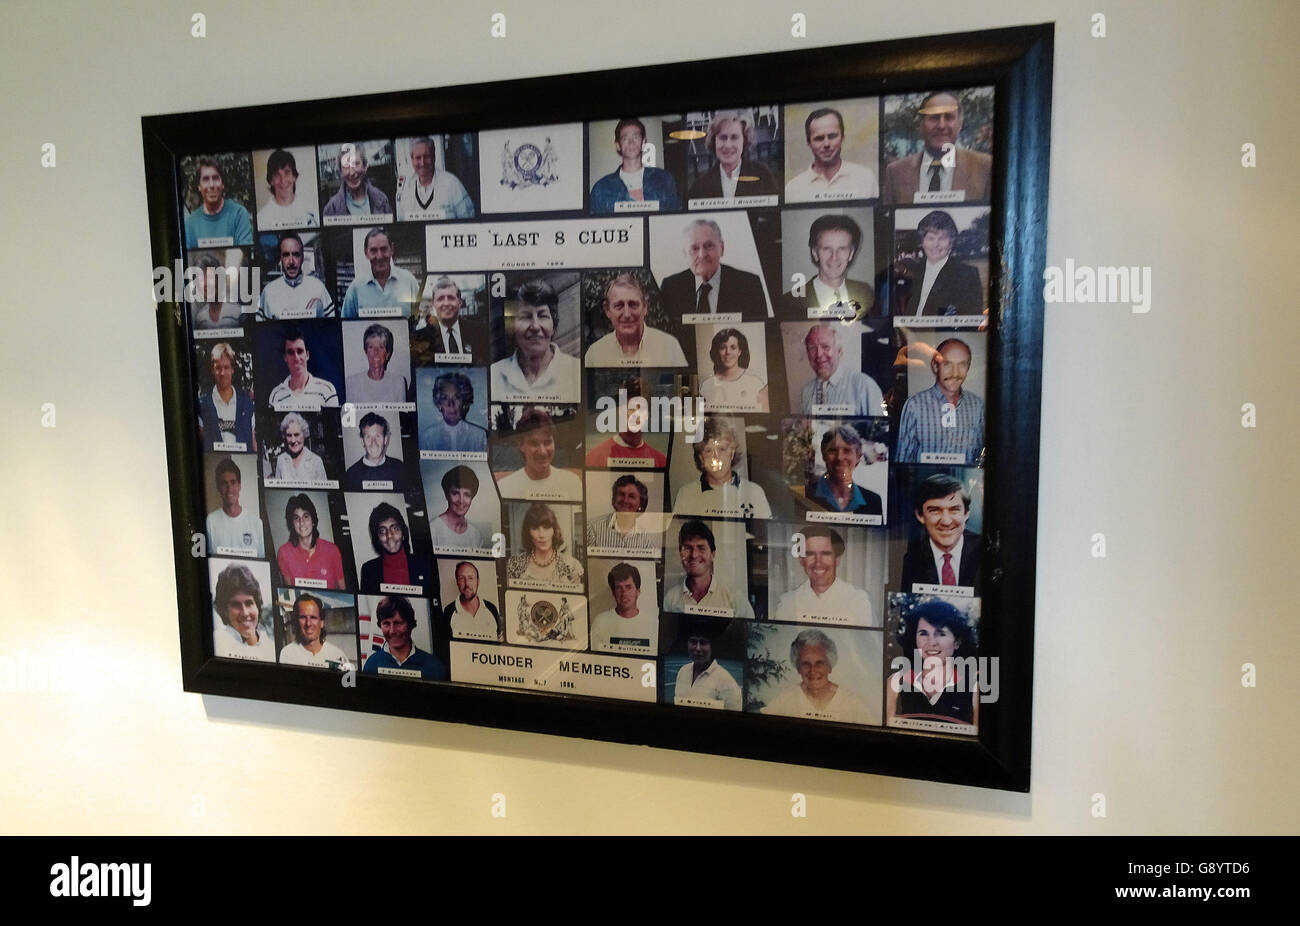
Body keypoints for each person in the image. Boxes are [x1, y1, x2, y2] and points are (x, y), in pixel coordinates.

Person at [883, 91, 992, 205]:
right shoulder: (895, 172)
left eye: (949, 117)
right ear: (921, 124)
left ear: (960, 124)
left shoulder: (985, 167)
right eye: (934, 118)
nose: (941, 125)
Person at [886, 598, 979, 726]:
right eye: (923, 633)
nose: (931, 642)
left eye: (940, 633)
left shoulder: (974, 689)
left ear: (957, 642)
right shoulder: (896, 682)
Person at [658, 219, 768, 321]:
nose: (702, 254)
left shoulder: (749, 285)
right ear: (685, 254)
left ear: (722, 248)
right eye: (694, 248)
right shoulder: (670, 287)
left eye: (709, 245)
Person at [490, 279, 581, 402]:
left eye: (542, 316)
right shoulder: (494, 374)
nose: (535, 326)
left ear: (553, 326)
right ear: (511, 327)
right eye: (525, 317)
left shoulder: (576, 371)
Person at [896, 337, 984, 464]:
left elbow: (979, 459)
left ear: (968, 368)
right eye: (947, 364)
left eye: (962, 364)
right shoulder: (914, 405)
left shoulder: (977, 405)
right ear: (935, 366)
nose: (955, 373)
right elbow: (903, 462)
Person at [763, 629, 874, 724]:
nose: (813, 671)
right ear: (798, 667)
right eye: (806, 664)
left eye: (819, 663)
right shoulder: (784, 700)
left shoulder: (853, 703)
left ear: (830, 666)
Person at [672, 416, 771, 519]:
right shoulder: (685, 494)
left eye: (722, 449)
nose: (716, 457)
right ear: (701, 458)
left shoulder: (755, 492)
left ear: (732, 453)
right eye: (708, 451)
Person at [774, 525, 874, 622]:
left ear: (837, 559)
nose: (818, 562)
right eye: (810, 554)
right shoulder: (787, 602)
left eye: (825, 554)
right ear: (801, 560)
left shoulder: (858, 600)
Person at [583, 273, 687, 366]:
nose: (627, 314)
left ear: (645, 307)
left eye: (633, 305)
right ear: (607, 310)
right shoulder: (595, 353)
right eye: (619, 306)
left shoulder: (670, 346)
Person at [900, 474, 981, 592]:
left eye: (954, 510)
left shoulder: (984, 551)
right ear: (920, 516)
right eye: (935, 511)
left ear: (966, 514)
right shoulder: (912, 559)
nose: (946, 521)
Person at [782, 215, 875, 317]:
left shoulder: (866, 293)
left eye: (842, 248)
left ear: (851, 254)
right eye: (826, 249)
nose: (834, 257)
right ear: (815, 253)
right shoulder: (790, 302)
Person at [899, 210, 983, 317]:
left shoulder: (967, 274)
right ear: (922, 242)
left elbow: (971, 318)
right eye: (930, 238)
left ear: (951, 242)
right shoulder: (913, 269)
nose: (936, 244)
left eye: (942, 238)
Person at [784, 107, 879, 202]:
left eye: (832, 136)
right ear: (809, 143)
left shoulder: (866, 178)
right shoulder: (792, 189)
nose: (826, 144)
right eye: (819, 138)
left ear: (842, 138)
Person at [663, 520, 754, 618]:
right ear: (680, 553)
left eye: (701, 548)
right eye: (688, 548)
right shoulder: (670, 599)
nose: (694, 555)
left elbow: (750, 633)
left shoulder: (735, 599)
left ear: (712, 554)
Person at [589, 117, 682, 212]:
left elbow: (676, 218)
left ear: (643, 142)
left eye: (635, 137)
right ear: (618, 145)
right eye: (625, 138)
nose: (631, 143)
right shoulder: (601, 188)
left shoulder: (664, 180)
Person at [686, 110, 778, 201]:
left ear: (744, 141)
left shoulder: (763, 175)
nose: (728, 145)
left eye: (734, 137)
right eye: (722, 137)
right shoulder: (699, 187)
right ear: (714, 141)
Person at [496, 407, 582, 501]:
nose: (542, 452)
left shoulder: (572, 483)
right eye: (534, 443)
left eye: (547, 442)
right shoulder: (505, 488)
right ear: (520, 445)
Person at [798, 322, 883, 416]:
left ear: (839, 351)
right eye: (812, 348)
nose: (819, 355)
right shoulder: (806, 392)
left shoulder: (864, 386)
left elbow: (879, 428)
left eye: (825, 347)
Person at [585, 378, 669, 467]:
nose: (636, 414)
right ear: (620, 410)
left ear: (649, 414)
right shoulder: (595, 458)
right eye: (631, 408)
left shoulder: (661, 461)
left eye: (642, 408)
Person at [362, 595, 448, 680]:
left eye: (398, 623)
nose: (392, 631)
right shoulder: (371, 664)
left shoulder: (435, 667)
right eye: (386, 624)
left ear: (410, 624)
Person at [341, 227, 421, 319]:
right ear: (366, 253)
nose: (379, 256)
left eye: (384, 249)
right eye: (373, 250)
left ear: (392, 249)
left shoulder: (409, 281)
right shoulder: (355, 288)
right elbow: (345, 326)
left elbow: (421, 320)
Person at [804, 425, 883, 517]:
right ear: (824, 455)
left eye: (847, 450)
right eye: (833, 450)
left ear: (858, 457)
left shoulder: (874, 501)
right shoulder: (806, 495)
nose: (840, 457)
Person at [434, 561, 504, 663]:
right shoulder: (448, 612)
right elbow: (444, 654)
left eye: (471, 578)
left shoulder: (492, 609)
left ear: (478, 581)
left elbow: (500, 647)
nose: (467, 584)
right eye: (462, 578)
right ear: (457, 581)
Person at [359, 502, 434, 595]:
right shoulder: (368, 570)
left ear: (403, 532)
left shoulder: (424, 564)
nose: (389, 535)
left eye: (394, 528)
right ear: (377, 538)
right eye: (382, 531)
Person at [506, 503, 584, 590]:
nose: (541, 535)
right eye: (535, 528)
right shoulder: (515, 564)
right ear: (528, 532)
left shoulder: (571, 566)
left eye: (546, 527)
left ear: (554, 530)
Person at [276, 494, 346, 589]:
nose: (301, 523)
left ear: (313, 521)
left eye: (306, 516)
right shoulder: (284, 552)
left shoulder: (332, 550)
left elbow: (343, 590)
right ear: (292, 524)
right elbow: (289, 592)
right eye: (296, 518)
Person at [258, 232, 334, 319]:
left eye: (296, 254)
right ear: (280, 259)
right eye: (286, 255)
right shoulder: (268, 292)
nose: (291, 262)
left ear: (302, 258)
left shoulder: (318, 288)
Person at [396, 136, 475, 220]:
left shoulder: (452, 184)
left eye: (426, 156)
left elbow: (469, 221)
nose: (422, 163)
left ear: (434, 157)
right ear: (412, 160)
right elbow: (401, 222)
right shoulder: (404, 188)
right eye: (418, 158)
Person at [589, 562, 657, 654]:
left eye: (628, 587)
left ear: (638, 591)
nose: (624, 593)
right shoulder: (600, 622)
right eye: (619, 588)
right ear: (613, 593)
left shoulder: (653, 624)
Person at [672, 619, 741, 710]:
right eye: (693, 641)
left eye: (703, 642)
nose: (697, 648)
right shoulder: (683, 671)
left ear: (712, 646)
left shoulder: (727, 682)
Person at [211, 563, 274, 661]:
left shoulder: (271, 647)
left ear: (257, 606)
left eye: (249, 603)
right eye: (236, 605)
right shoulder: (217, 643)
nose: (245, 613)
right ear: (224, 611)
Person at [198, 342, 255, 449]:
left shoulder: (247, 404)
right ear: (212, 370)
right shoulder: (202, 405)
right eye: (218, 368)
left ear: (232, 369)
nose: (222, 373)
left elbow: (253, 442)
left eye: (226, 367)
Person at [184, 157, 252, 247]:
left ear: (222, 184)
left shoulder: (239, 214)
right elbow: (180, 259)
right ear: (199, 187)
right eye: (206, 179)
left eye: (215, 178)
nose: (211, 185)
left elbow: (245, 255)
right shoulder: (190, 224)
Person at [266, 327, 339, 409]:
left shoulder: (327, 390)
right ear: (285, 357)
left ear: (307, 355)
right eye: (291, 352)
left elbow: (333, 421)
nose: (296, 357)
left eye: (300, 351)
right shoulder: (276, 395)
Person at [698, 327, 768, 412]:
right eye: (723, 348)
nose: (728, 352)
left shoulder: (756, 383)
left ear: (740, 351)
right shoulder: (706, 385)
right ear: (717, 351)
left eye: (733, 347)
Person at [206, 458, 265, 557]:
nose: (229, 489)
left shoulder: (256, 523)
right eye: (224, 483)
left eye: (233, 482)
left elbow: (261, 562)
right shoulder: (210, 521)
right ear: (218, 488)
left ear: (239, 486)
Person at [586, 474, 659, 554]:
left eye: (632, 496)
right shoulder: (592, 529)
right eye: (621, 494)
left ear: (640, 503)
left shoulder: (647, 541)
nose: (625, 500)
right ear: (614, 499)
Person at [278, 593, 354, 669]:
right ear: (296, 622)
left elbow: (349, 680)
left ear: (321, 623)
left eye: (313, 617)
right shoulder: (287, 653)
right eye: (303, 617)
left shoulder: (337, 655)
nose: (308, 623)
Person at [419, 371, 487, 453]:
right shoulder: (428, 437)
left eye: (457, 397)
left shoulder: (479, 436)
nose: (451, 404)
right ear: (439, 403)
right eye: (444, 398)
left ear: (464, 402)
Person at [345, 323, 409, 403]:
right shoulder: (352, 383)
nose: (376, 352)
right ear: (366, 352)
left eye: (381, 347)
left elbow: (402, 415)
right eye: (371, 347)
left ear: (387, 354)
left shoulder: (398, 382)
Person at [323, 143, 392, 217]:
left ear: (365, 166)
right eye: (346, 166)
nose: (352, 172)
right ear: (340, 172)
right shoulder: (331, 208)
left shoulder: (381, 199)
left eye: (356, 164)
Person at [414, 276, 477, 357]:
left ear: (460, 302)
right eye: (440, 299)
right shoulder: (422, 337)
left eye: (451, 298)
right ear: (434, 304)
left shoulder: (478, 331)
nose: (446, 303)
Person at [256, 148, 318, 229]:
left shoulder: (311, 211)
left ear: (294, 176)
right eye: (277, 175)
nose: (283, 180)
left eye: (287, 172)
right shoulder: (261, 218)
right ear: (271, 181)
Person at [343, 412, 406, 490]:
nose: (374, 443)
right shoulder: (351, 475)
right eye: (368, 437)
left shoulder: (399, 468)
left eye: (378, 436)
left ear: (385, 439)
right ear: (362, 441)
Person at [429, 465, 486, 550]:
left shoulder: (476, 534)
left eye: (467, 494)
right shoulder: (432, 530)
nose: (461, 500)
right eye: (455, 493)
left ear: (472, 498)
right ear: (446, 495)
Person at [189, 254, 244, 329]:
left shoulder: (238, 312)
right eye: (200, 279)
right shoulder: (200, 318)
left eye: (209, 277)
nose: (206, 283)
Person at [272, 411, 328, 482]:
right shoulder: (281, 460)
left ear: (304, 434)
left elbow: (323, 492)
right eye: (289, 435)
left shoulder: (316, 461)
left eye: (296, 435)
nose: (293, 440)